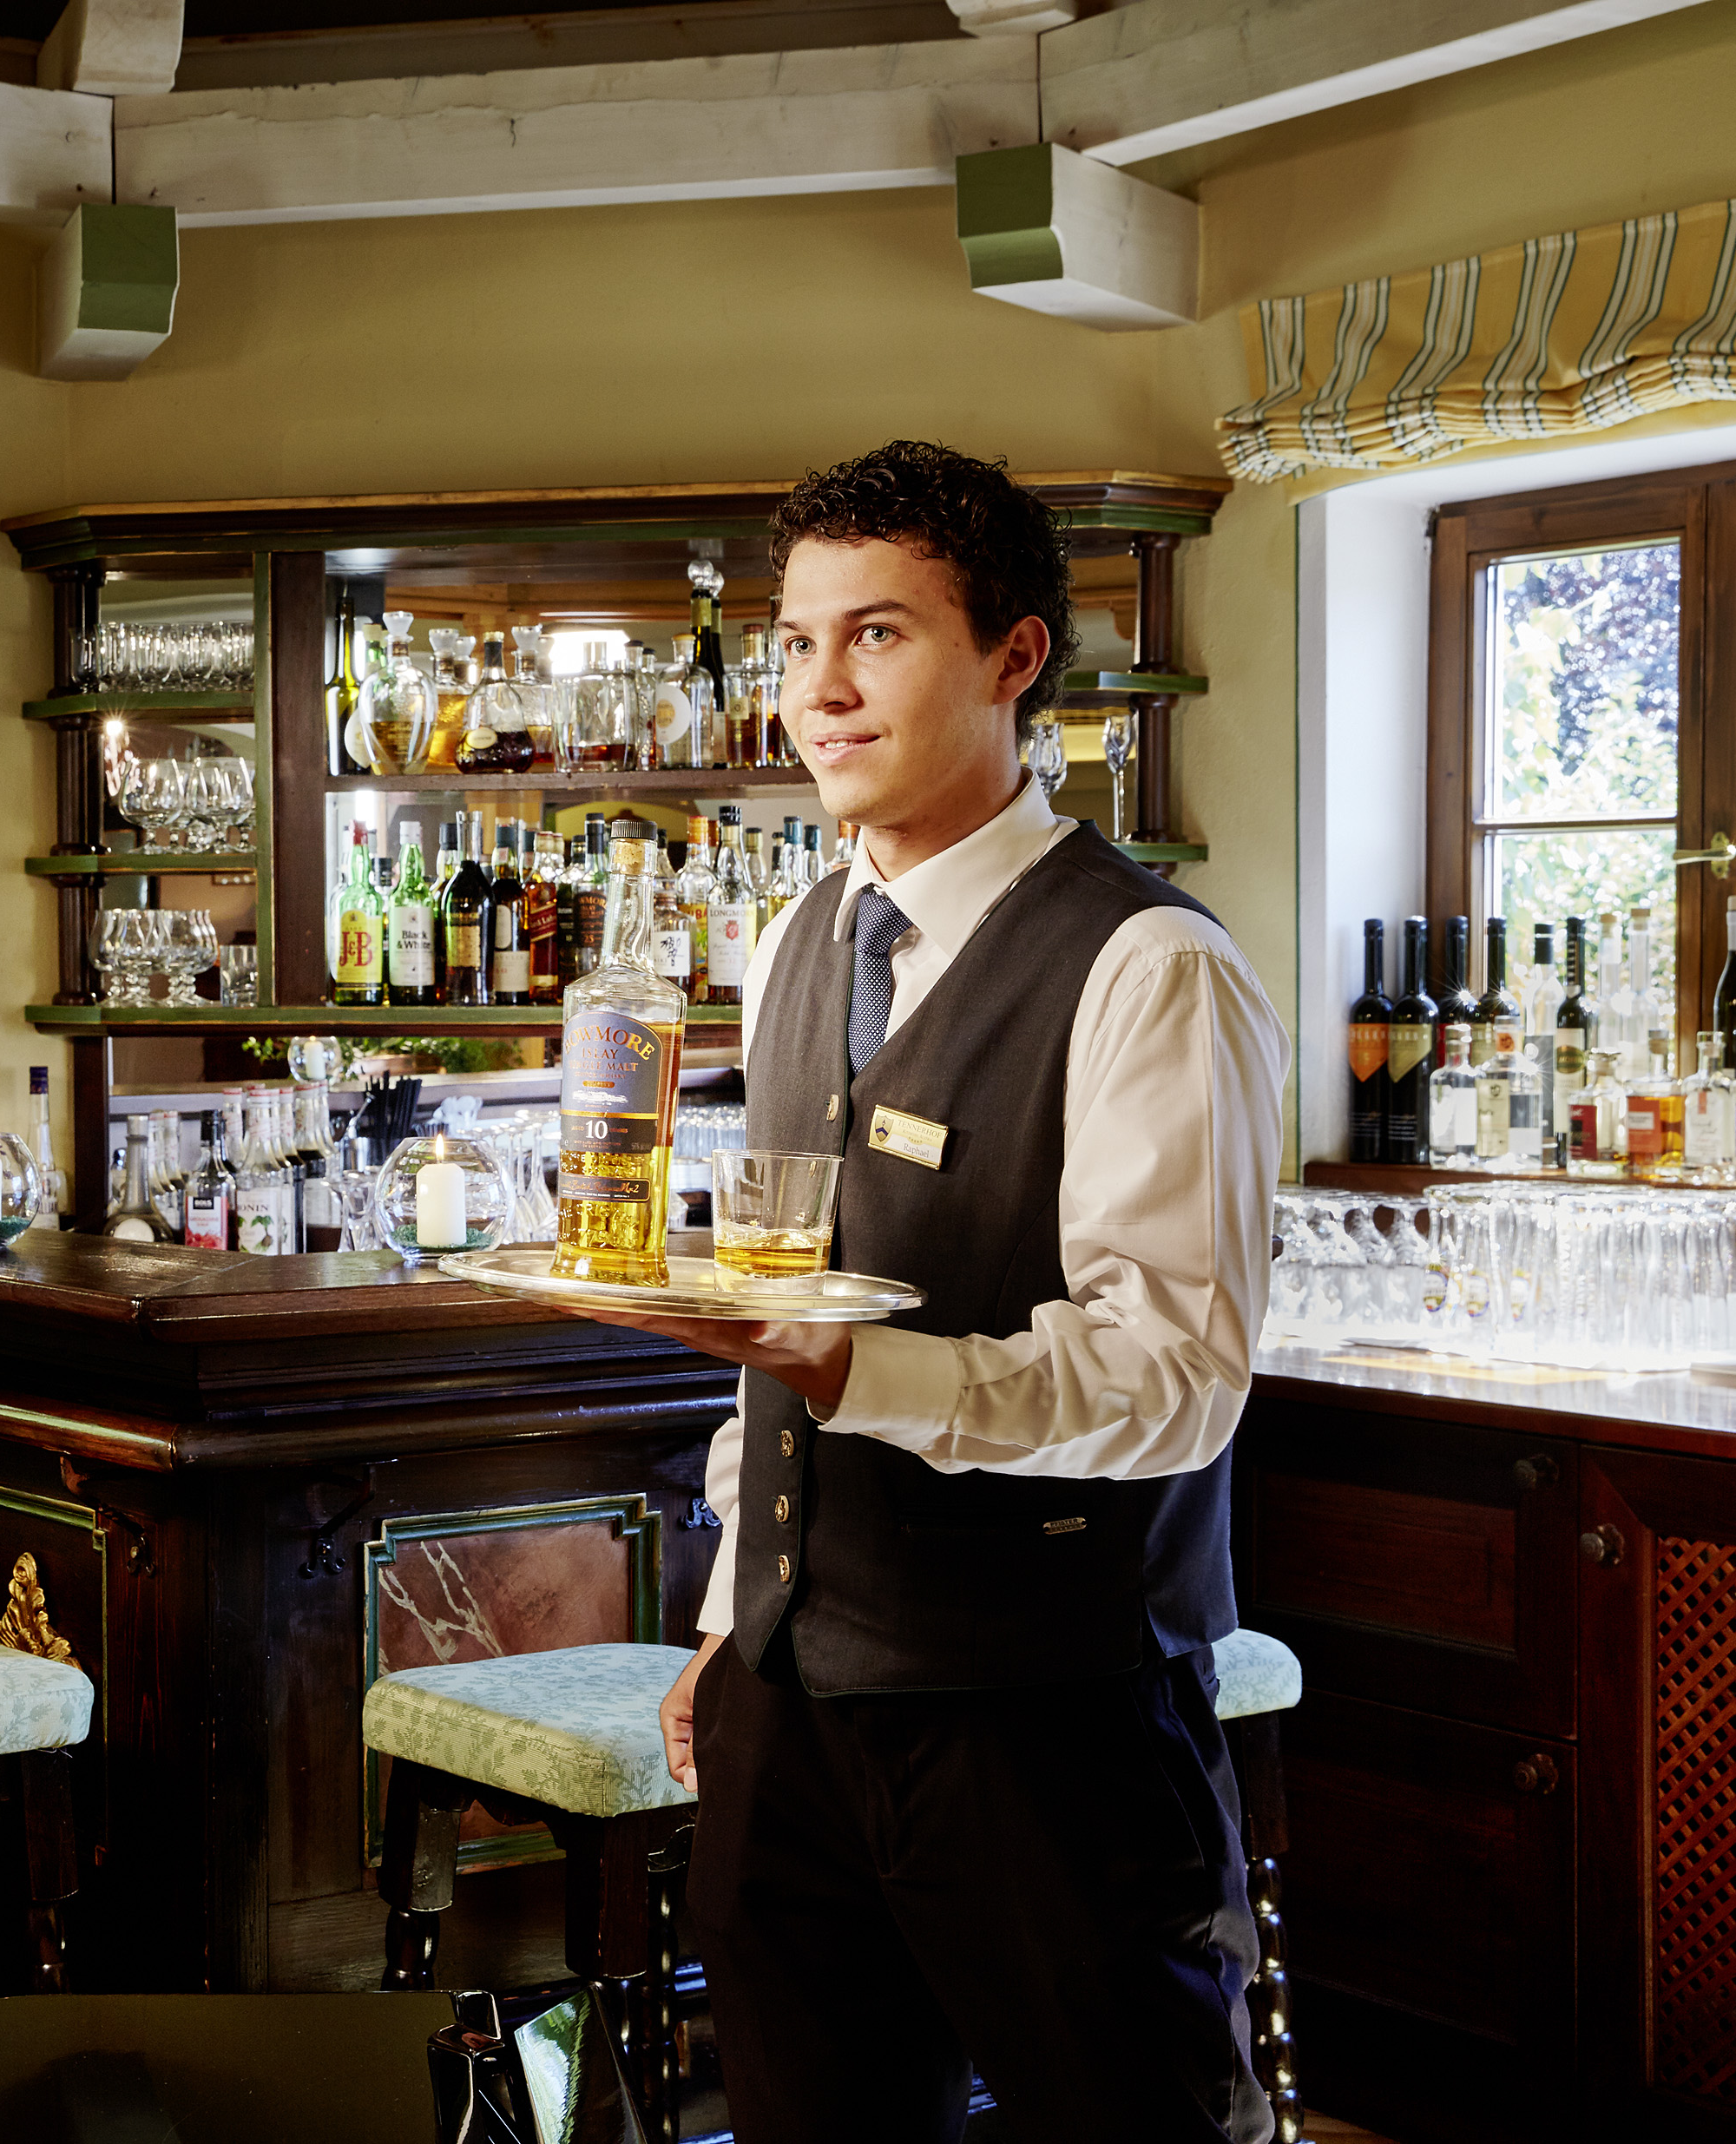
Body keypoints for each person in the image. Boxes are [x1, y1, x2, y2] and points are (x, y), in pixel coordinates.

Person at [578, 441, 1285, 2141]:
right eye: (795, 639)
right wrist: (729, 1619)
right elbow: (773, 1315)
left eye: (875, 635)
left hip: (1047, 1718)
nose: (816, 690)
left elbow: (1173, 1373)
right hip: (786, 1708)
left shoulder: (1147, 965)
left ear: (1012, 655)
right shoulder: (793, 939)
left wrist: (856, 1372)